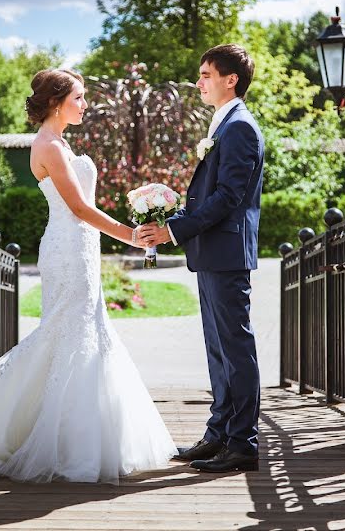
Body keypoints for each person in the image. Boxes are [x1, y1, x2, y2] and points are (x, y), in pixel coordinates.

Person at [0, 69, 177, 484]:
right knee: (65, 335)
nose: (85, 104)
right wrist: (132, 237)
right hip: (68, 249)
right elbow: (79, 208)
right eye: (79, 97)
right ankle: (21, 434)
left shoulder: (61, 143)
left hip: (80, 247)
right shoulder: (48, 146)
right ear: (56, 102)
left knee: (85, 333)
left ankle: (79, 438)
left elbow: (85, 207)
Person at [138, 44, 264, 473]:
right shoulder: (224, 124)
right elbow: (210, 196)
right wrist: (170, 219)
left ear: (231, 79)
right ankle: (219, 434)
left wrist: (172, 230)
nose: (199, 82)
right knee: (218, 349)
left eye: (206, 74)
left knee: (235, 348)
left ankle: (243, 444)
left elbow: (228, 198)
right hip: (212, 252)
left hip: (227, 253)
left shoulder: (240, 128)